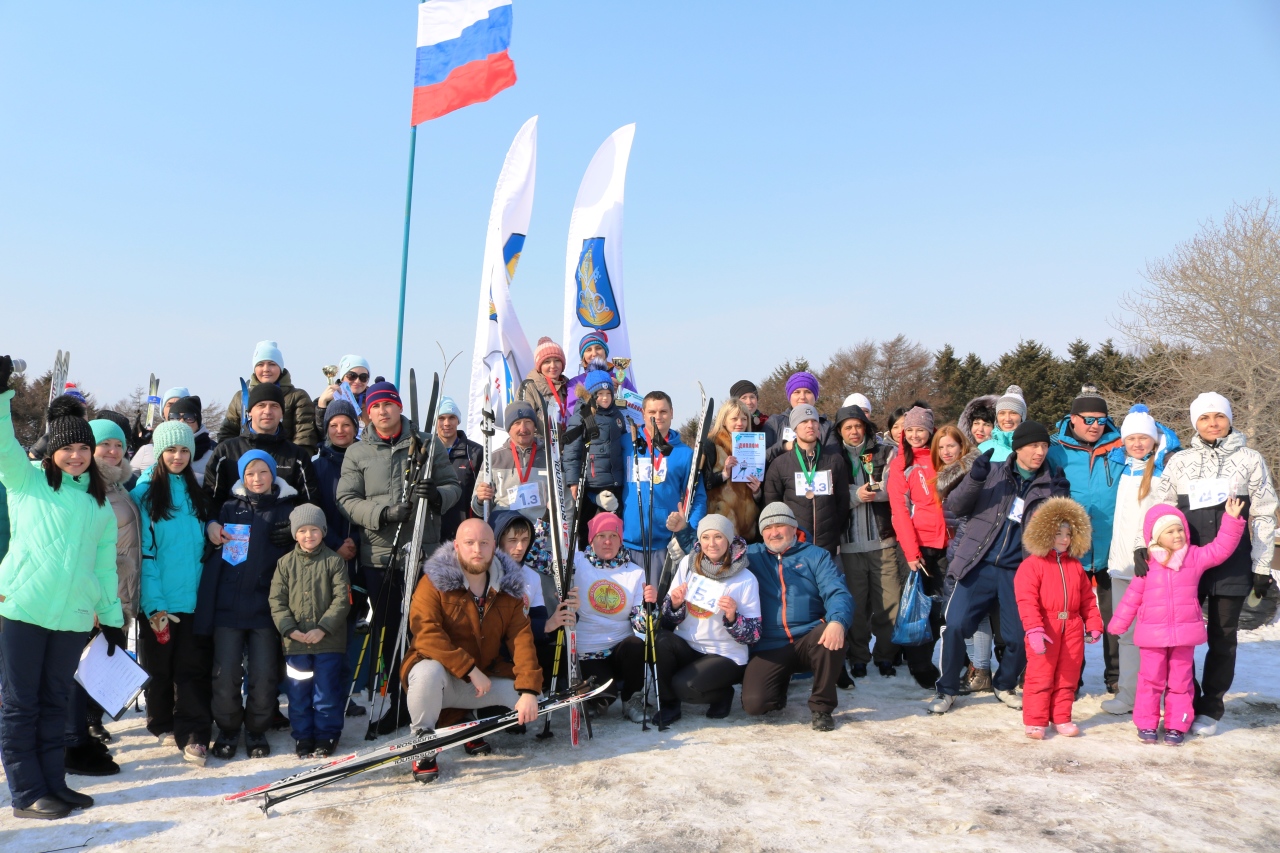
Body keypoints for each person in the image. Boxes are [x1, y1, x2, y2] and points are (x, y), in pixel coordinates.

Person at [0, 367, 124, 820]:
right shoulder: (27, 482)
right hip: (23, 610)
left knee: (54, 703)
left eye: (83, 448)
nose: (75, 455)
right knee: (20, 704)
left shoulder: (98, 504)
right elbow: (3, 446)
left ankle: (54, 782)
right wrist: (1, 397)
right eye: (67, 447)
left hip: (72, 618)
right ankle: (27, 791)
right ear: (52, 451)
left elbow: (104, 566)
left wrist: (112, 617)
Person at [336, 381, 460, 735]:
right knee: (390, 631)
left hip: (423, 551)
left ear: (399, 407)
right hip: (380, 555)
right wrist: (384, 513)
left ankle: (424, 700)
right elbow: (346, 498)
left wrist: (436, 495)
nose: (383, 411)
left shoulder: (427, 442)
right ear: (368, 412)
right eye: (376, 406)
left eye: (389, 404)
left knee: (423, 629)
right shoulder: (358, 452)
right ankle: (394, 702)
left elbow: (454, 485)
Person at [1154, 392, 1277, 736]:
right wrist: (1146, 546)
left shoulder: (1250, 459)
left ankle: (1211, 706)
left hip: (1232, 561)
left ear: (1229, 419)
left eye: (1218, 417)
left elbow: (1264, 513)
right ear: (1195, 422)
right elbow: (1162, 507)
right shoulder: (1180, 461)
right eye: (1205, 418)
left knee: (1222, 637)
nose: (1212, 423)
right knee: (1181, 636)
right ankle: (1184, 700)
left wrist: (1262, 565)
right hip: (1185, 562)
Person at [931, 421, 1071, 714]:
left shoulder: (1049, 484)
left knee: (1020, 636)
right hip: (977, 565)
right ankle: (946, 689)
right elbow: (956, 506)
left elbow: (1059, 533)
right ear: (1018, 447)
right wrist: (974, 479)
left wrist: (1061, 501)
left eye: (1044, 446)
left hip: (1018, 571)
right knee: (955, 625)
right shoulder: (993, 473)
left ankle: (1004, 684)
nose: (1039, 451)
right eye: (1033, 445)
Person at [401, 519, 542, 783]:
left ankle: (469, 723)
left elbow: (522, 639)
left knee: (527, 698)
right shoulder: (432, 583)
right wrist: (469, 669)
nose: (477, 549)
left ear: (493, 547)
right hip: (442, 681)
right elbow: (426, 634)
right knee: (426, 671)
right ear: (456, 546)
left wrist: (529, 690)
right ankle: (424, 744)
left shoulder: (509, 589)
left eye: (484, 543)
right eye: (469, 543)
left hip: (479, 684)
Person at [1109, 501, 1246, 745]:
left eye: (1180, 529)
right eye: (1170, 531)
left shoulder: (1194, 556)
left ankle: (1177, 724)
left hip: (1184, 635)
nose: (1177, 535)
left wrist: (1232, 520)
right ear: (1157, 537)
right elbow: (1132, 597)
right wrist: (1118, 624)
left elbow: (1220, 549)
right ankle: (1146, 723)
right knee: (1150, 680)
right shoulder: (1147, 564)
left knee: (1181, 683)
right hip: (1152, 636)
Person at [197, 450, 298, 760]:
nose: (257, 478)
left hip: (267, 610)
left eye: (263, 472)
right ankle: (228, 728)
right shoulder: (229, 508)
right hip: (228, 607)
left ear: (273, 475)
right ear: (242, 477)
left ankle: (256, 729)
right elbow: (211, 542)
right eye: (250, 473)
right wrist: (212, 526)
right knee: (225, 674)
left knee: (264, 674)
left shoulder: (288, 509)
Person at [132, 421, 217, 766]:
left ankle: (195, 733)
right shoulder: (144, 496)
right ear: (159, 452)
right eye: (171, 450)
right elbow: (146, 557)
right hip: (159, 602)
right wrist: (154, 606)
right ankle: (161, 720)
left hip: (194, 600)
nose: (178, 457)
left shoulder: (197, 492)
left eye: (184, 450)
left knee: (193, 669)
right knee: (160, 668)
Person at [741, 503, 853, 732]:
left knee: (828, 633)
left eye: (780, 525)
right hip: (770, 645)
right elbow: (712, 552)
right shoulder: (751, 556)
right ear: (761, 532)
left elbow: (837, 592)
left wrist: (837, 621)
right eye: (768, 527)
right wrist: (684, 531)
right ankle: (779, 685)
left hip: (808, 639)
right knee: (755, 704)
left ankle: (822, 706)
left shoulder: (816, 556)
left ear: (793, 527)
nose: (774, 532)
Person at [1100, 405, 1181, 716]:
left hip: (1154, 566)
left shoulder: (1164, 472)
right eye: (1131, 438)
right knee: (1127, 634)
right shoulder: (1118, 469)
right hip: (1121, 565)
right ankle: (1128, 695)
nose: (1137, 444)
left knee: (1160, 635)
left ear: (1153, 440)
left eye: (1143, 438)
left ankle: (1164, 696)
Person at [1047, 384, 1124, 692]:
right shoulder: (1055, 450)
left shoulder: (1120, 448)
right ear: (1073, 418)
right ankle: (1069, 678)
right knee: (1069, 620)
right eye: (1088, 419)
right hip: (1071, 550)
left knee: (1115, 620)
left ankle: (1116, 678)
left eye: (1101, 419)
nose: (1095, 425)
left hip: (1111, 550)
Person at [72, 419, 141, 749]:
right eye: (105, 445)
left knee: (108, 656)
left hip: (122, 587)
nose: (113, 451)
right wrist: (97, 600)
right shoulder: (87, 486)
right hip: (99, 592)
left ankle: (92, 719)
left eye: (118, 445)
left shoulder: (119, 484)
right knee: (87, 659)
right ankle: (79, 727)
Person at [654, 515, 761, 725]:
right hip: (690, 644)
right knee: (661, 640)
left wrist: (732, 617)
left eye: (718, 537)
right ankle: (669, 705)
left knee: (684, 686)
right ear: (699, 541)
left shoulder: (746, 578)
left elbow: (754, 634)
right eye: (706, 537)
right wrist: (675, 604)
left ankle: (722, 694)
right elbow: (667, 613)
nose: (712, 544)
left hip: (724, 653)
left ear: (729, 540)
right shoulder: (687, 563)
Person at [1014, 498, 1103, 740]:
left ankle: (1062, 717)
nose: (1064, 539)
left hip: (1072, 628)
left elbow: (1087, 599)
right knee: (1040, 676)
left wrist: (1093, 623)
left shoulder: (1075, 567)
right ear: (1044, 534)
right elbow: (1027, 601)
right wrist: (1033, 629)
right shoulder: (1032, 566)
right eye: (1057, 533)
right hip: (1045, 628)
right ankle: (1035, 720)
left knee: (1068, 676)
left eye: (1068, 534)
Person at [269, 504, 350, 759]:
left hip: (328, 643)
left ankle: (327, 735)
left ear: (323, 531)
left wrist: (323, 628)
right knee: (299, 692)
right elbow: (277, 601)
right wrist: (289, 630)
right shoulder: (284, 564)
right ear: (295, 534)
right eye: (302, 530)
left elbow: (342, 599)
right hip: (296, 645)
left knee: (325, 691)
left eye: (314, 529)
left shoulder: (334, 561)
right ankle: (303, 736)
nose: (308, 535)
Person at [835, 402, 902, 679]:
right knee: (856, 606)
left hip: (883, 541)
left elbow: (894, 486)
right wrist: (854, 495)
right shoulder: (834, 456)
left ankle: (886, 655)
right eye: (848, 427)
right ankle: (859, 655)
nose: (854, 431)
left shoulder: (885, 451)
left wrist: (870, 491)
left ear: (866, 427)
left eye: (858, 426)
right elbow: (831, 494)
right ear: (840, 431)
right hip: (849, 545)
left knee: (889, 604)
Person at [886, 405, 947, 689]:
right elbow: (899, 511)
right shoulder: (900, 463)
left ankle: (943, 658)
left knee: (939, 607)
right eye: (909, 430)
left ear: (930, 430)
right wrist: (911, 553)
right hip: (917, 546)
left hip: (946, 543)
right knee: (916, 606)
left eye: (919, 429)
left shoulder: (942, 457)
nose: (914, 435)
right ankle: (919, 663)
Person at [620, 391, 707, 586]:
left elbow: (698, 498)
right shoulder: (626, 443)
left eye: (663, 411)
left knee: (660, 610)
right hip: (627, 543)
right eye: (652, 412)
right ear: (642, 413)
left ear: (672, 413)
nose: (657, 417)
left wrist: (686, 533)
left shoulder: (685, 453)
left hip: (665, 546)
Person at [311, 399, 364, 717]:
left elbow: (372, 504)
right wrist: (333, 543)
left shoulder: (366, 460)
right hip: (327, 557)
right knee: (326, 627)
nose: (340, 430)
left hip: (358, 556)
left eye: (346, 424)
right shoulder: (317, 466)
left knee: (349, 628)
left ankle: (346, 695)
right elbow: (313, 511)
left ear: (355, 428)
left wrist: (354, 541)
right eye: (334, 425)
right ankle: (324, 694)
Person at [574, 513, 653, 720]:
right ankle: (595, 697)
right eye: (601, 536)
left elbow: (640, 623)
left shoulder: (635, 573)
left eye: (613, 536)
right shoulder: (577, 563)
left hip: (620, 646)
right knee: (604, 697)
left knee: (636, 645)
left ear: (621, 540)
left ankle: (631, 700)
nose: (607, 541)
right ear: (591, 539)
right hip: (589, 649)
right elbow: (535, 557)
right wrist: (549, 519)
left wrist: (650, 606)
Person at [933, 423, 992, 694]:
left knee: (973, 614)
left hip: (970, 550)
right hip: (955, 548)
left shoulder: (970, 472)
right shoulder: (947, 473)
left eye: (951, 446)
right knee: (961, 614)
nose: (946, 451)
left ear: (962, 447)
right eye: (941, 447)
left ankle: (980, 669)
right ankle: (974, 667)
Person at [490, 509, 578, 691]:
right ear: (498, 541)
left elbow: (539, 622)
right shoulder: (486, 574)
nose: (520, 547)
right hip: (492, 652)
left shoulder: (531, 576)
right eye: (513, 541)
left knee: (563, 656)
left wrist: (563, 615)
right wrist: (544, 626)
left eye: (524, 540)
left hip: (520, 648)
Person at [203, 382, 319, 509]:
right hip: (234, 526)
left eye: (274, 406)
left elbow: (309, 503)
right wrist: (213, 524)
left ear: (282, 413)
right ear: (250, 412)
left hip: (285, 527)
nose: (268, 411)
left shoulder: (297, 455)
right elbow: (211, 500)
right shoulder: (226, 452)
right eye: (261, 405)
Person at [763, 403, 850, 558]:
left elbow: (843, 502)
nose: (810, 425)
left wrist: (833, 529)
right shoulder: (779, 464)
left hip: (828, 548)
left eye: (814, 421)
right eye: (804, 421)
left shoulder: (835, 461)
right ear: (795, 428)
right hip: (794, 548)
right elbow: (773, 505)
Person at [217, 340, 319, 456]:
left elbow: (305, 437)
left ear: (280, 367)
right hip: (246, 466)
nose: (266, 369)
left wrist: (291, 465)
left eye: (272, 364)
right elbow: (227, 434)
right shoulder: (241, 397)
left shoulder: (297, 396)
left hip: (285, 463)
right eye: (260, 364)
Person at [563, 367, 627, 545]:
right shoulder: (583, 415)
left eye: (608, 393)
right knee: (589, 532)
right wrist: (573, 482)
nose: (605, 398)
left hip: (615, 483)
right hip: (591, 484)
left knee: (612, 530)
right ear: (590, 394)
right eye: (599, 393)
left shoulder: (617, 415)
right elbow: (571, 451)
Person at [472, 399, 549, 523]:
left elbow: (565, 501)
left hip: (542, 532)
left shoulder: (550, 456)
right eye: (517, 423)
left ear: (534, 426)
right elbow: (478, 509)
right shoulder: (493, 459)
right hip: (505, 531)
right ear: (509, 428)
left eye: (528, 422)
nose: (523, 429)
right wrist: (480, 500)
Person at [699, 399, 762, 542]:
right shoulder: (711, 444)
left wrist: (757, 492)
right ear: (723, 420)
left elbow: (759, 489)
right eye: (734, 418)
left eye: (744, 419)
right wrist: (724, 474)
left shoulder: (754, 444)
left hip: (748, 526)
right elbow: (702, 483)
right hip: (721, 525)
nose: (740, 423)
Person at [132, 396, 215, 484]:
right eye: (175, 417)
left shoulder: (213, 455)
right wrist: (133, 447)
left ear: (198, 422)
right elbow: (126, 484)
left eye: (189, 417)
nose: (181, 421)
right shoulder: (147, 450)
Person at [436, 396, 483, 541]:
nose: (447, 423)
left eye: (451, 417)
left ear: (458, 420)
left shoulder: (475, 452)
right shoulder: (426, 450)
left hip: (464, 532)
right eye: (441, 418)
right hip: (433, 531)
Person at [762, 370, 837, 458]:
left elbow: (834, 459)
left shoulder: (827, 426)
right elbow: (761, 458)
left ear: (815, 396)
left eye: (808, 392)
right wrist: (784, 446)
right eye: (797, 392)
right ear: (790, 396)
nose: (802, 397)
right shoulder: (775, 423)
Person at [565, 331, 637, 420]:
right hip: (592, 431)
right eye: (588, 350)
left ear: (605, 353)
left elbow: (636, 407)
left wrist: (616, 392)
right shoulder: (575, 383)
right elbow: (576, 411)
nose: (594, 353)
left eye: (598, 348)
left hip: (620, 429)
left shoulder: (621, 379)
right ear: (583, 356)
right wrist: (602, 387)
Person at [315, 354, 371, 431]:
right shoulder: (325, 400)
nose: (357, 381)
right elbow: (320, 434)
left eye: (363, 377)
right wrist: (321, 405)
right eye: (352, 376)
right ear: (342, 377)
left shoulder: (374, 401)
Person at [526, 337, 570, 428]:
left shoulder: (568, 385)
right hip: (541, 441)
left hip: (569, 441)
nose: (553, 366)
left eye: (557, 360)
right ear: (539, 366)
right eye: (547, 362)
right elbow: (524, 422)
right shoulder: (529, 387)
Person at [977, 386, 1026, 462]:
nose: (1007, 419)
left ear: (1022, 416)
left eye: (1013, 413)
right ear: (997, 417)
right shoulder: (983, 449)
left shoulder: (1033, 447)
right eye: (1002, 413)